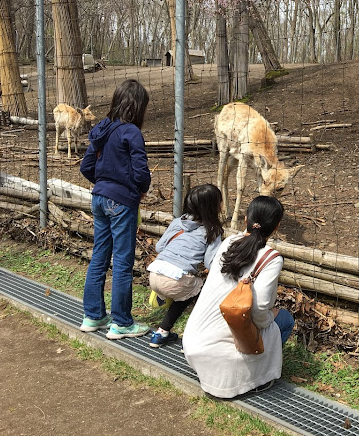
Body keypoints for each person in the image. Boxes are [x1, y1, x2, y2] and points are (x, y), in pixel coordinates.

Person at [182, 196, 295, 398]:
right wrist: (271, 316)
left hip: (192, 345)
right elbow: (260, 308)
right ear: (277, 226)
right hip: (221, 363)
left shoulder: (229, 241)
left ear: (245, 220)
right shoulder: (271, 258)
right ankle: (256, 376)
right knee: (284, 319)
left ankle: (248, 367)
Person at [78, 79, 152, 340]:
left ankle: (93, 316)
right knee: (122, 262)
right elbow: (141, 171)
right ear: (137, 106)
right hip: (121, 202)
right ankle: (121, 322)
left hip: (99, 199)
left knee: (99, 256)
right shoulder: (131, 132)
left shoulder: (101, 129)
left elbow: (86, 166)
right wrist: (139, 188)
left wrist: (104, 184)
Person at [147, 183, 224, 348]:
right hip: (175, 281)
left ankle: (161, 332)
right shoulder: (212, 230)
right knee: (202, 292)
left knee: (184, 288)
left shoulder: (177, 222)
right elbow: (211, 262)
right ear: (213, 207)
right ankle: (190, 339)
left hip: (154, 275)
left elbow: (160, 247)